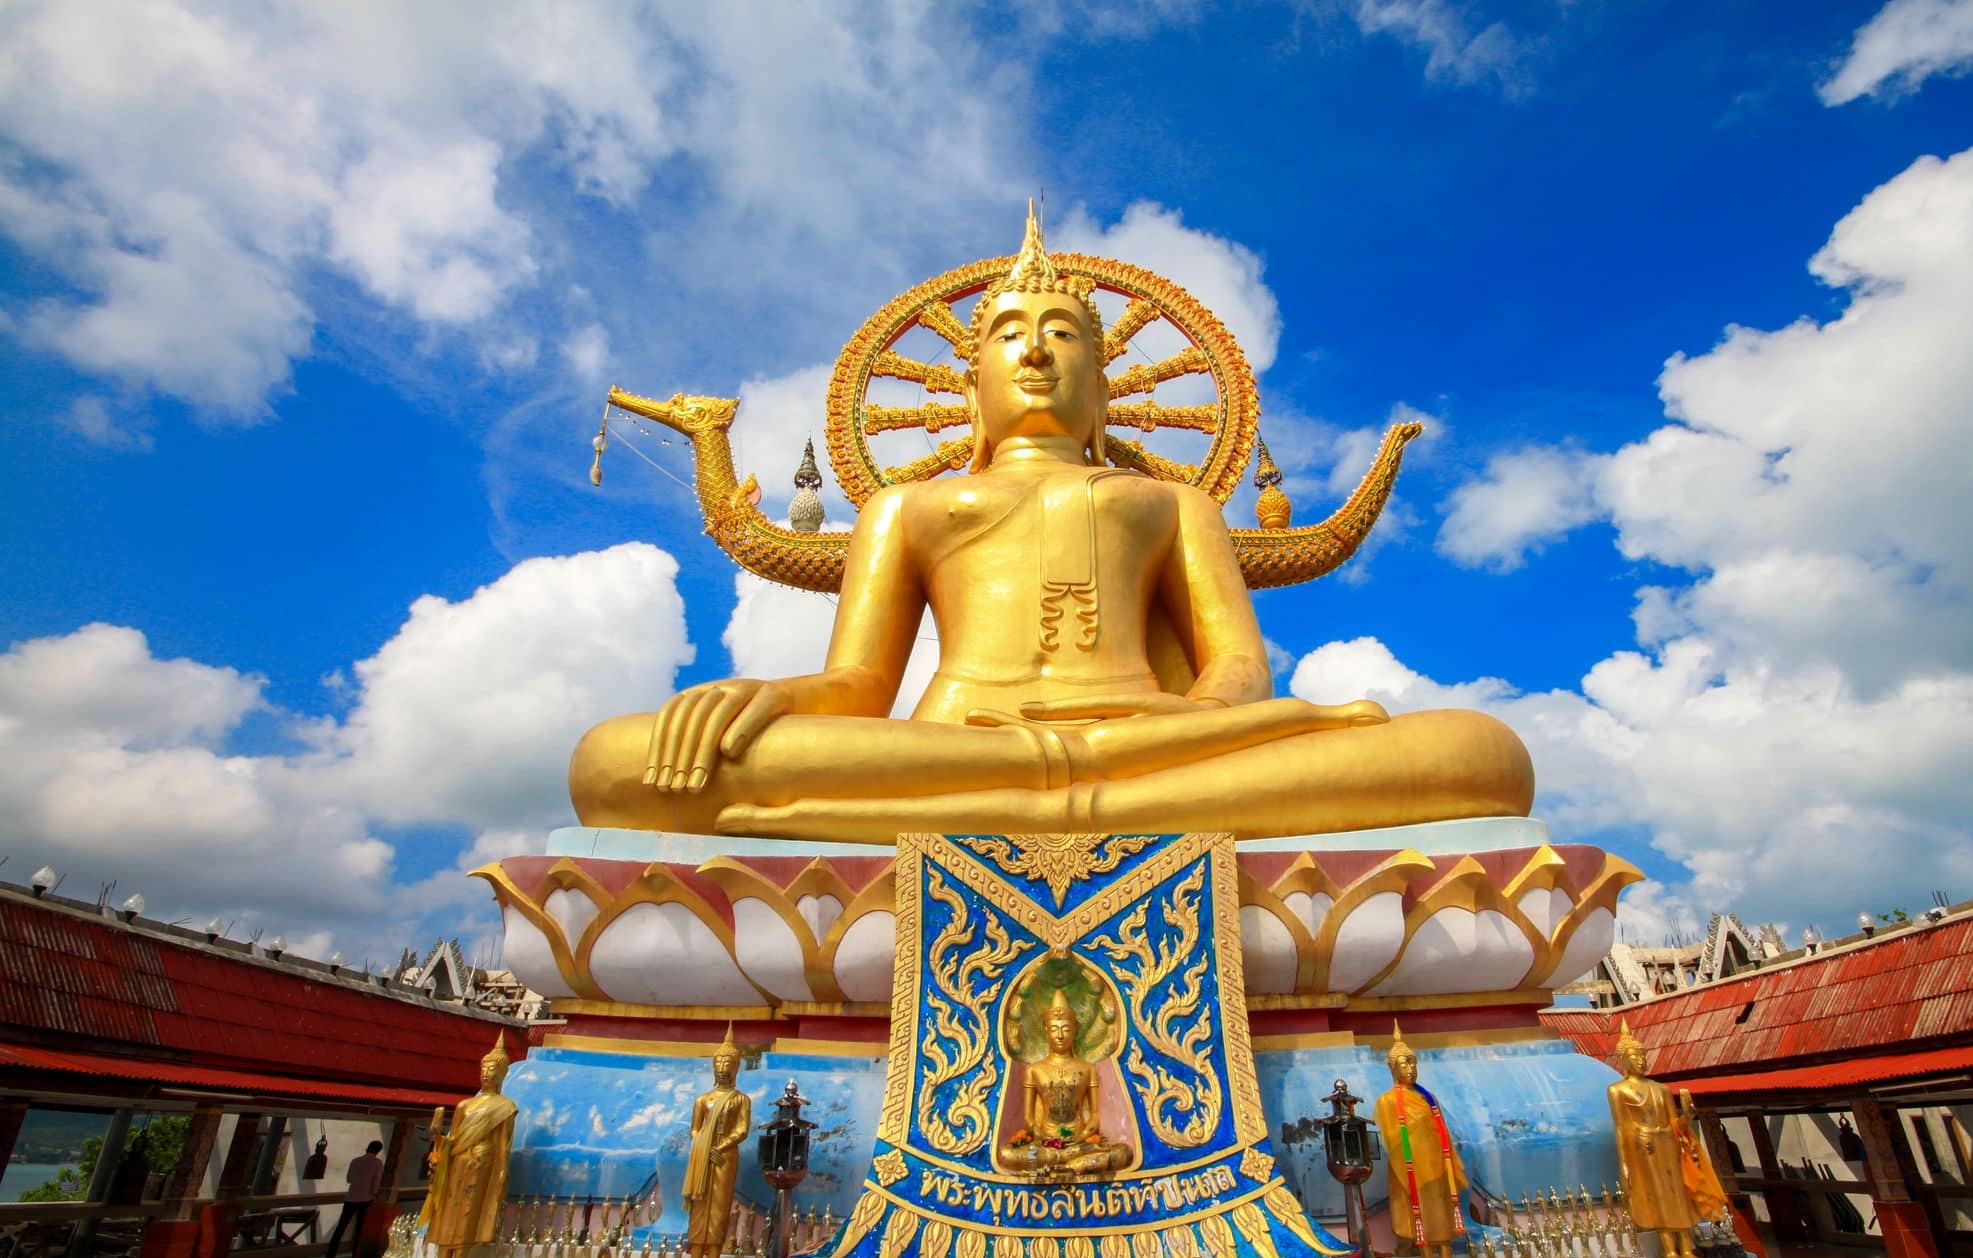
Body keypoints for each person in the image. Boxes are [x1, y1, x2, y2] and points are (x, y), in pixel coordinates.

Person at [568, 208, 1533, 843]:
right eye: (1009, 335)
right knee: (615, 761)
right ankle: (1097, 796)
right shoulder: (909, 507)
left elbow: (1239, 671)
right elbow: (862, 686)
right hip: (964, 745)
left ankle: (1074, 791)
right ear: (974, 381)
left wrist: (1193, 716)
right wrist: (765, 698)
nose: (1035, 350)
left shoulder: (1171, 504)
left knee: (1482, 752)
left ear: (1104, 385)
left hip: (1146, 740)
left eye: (1065, 334)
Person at [1608, 1020, 1719, 1258]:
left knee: (1678, 1196)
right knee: (1656, 1196)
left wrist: (1687, 1116)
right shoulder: (1618, 1091)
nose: (1640, 1061)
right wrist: (1625, 1165)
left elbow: (1675, 1125)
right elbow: (1620, 1130)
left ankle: (1687, 1250)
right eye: (1635, 1056)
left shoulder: (1662, 1090)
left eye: (1642, 1055)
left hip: (1668, 1146)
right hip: (1643, 1150)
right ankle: (1669, 1251)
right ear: (1624, 1060)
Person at [996, 989, 1131, 1178]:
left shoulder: (1087, 1068)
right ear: (1046, 1030)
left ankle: (1067, 1162)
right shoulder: (1034, 1070)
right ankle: (1070, 1162)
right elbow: (1028, 1118)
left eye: (1066, 1029)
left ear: (1074, 1029)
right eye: (1054, 1029)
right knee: (1006, 1155)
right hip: (1045, 1146)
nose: (1060, 1035)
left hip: (1080, 1144)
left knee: (1124, 1152)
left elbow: (1094, 1117)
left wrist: (1081, 1137)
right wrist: (1041, 1136)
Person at [418, 1032, 518, 1258]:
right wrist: (437, 1138)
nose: (486, 1073)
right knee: (447, 1211)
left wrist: (502, 1168)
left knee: (468, 1212)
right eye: (484, 1068)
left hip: (482, 1164)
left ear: (503, 1073)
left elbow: (503, 1143)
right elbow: (452, 1139)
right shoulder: (465, 1105)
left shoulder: (505, 1106)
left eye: (492, 1068)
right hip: (457, 1164)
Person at [1372, 1022, 1469, 1258]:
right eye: (1404, 1064)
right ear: (1393, 1068)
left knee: (1444, 1216)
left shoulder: (1429, 1097)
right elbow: (1392, 1138)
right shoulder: (1388, 1101)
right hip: (1413, 1170)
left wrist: (1448, 1162)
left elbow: (1443, 1131)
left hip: (1437, 1167)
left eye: (1413, 1064)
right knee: (1421, 1216)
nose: (1411, 1069)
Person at [681, 1026, 751, 1258]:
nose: (722, 1066)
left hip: (724, 1157)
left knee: (719, 1209)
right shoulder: (703, 1100)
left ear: (736, 1067)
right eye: (719, 1061)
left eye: (727, 1062)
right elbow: (694, 1129)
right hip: (702, 1157)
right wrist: (703, 1146)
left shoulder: (740, 1100)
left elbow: (742, 1129)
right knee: (699, 1208)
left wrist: (719, 1148)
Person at [325, 1139, 384, 1258]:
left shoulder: (356, 1161)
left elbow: (349, 1178)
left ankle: (330, 1256)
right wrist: (374, 1195)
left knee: (341, 1227)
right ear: (378, 1151)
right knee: (360, 1229)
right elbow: (376, 1182)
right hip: (365, 1198)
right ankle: (355, 1257)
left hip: (351, 1197)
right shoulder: (377, 1164)